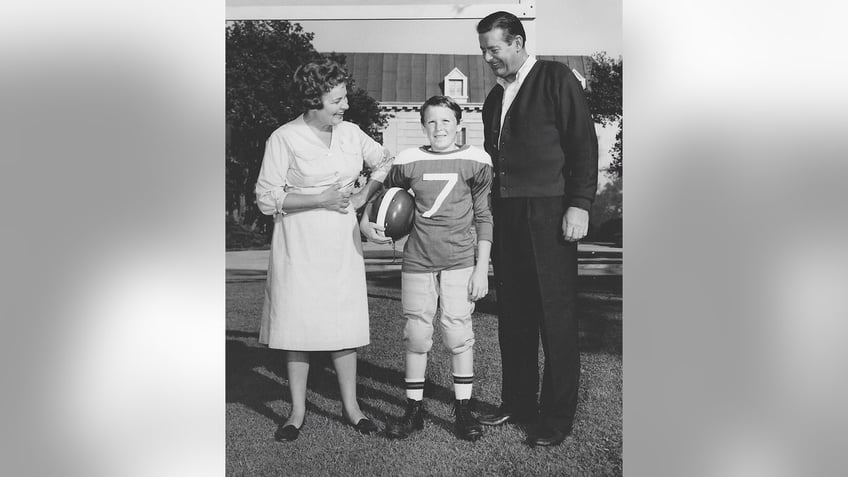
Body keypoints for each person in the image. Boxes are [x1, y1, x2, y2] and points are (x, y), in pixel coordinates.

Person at [475, 11, 599, 447]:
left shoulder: (555, 78)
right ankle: (518, 403)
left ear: (519, 42)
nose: (489, 57)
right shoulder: (494, 98)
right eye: (484, 50)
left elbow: (583, 144)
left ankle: (556, 418)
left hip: (550, 211)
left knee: (556, 317)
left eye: (495, 48)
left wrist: (579, 205)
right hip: (507, 215)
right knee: (515, 316)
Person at [254, 59, 392, 442]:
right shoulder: (284, 138)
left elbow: (384, 160)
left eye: (344, 97)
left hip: (342, 245)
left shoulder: (350, 133)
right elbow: (267, 199)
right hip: (298, 246)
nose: (345, 105)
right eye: (337, 99)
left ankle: (353, 408)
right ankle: (296, 411)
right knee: (297, 327)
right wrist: (320, 199)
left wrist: (366, 192)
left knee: (342, 325)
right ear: (313, 99)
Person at [361, 96, 493, 441]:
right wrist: (365, 219)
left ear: (458, 124)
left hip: (460, 259)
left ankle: (463, 408)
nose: (439, 129)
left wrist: (482, 268)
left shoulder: (475, 160)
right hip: (418, 258)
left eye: (446, 121)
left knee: (458, 333)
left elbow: (484, 216)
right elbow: (385, 197)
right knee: (417, 335)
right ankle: (413, 409)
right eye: (432, 122)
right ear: (423, 125)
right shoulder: (408, 161)